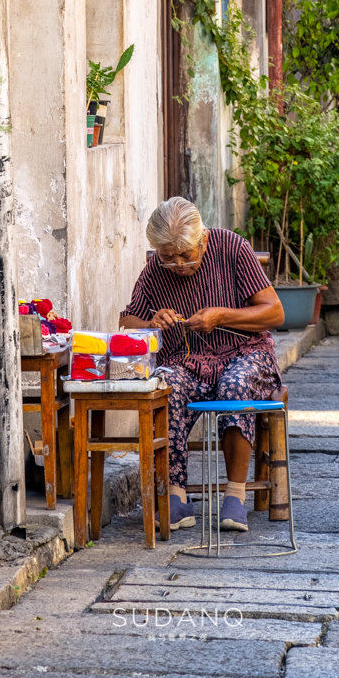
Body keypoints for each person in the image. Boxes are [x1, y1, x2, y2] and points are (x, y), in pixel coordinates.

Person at [119, 196, 285, 533]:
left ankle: (235, 495)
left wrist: (222, 315)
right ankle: (177, 495)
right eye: (168, 257)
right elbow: (128, 321)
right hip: (187, 360)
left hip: (244, 352)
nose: (178, 264)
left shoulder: (232, 247)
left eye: (185, 255)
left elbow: (275, 312)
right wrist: (153, 320)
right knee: (166, 383)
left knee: (234, 384)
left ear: (203, 240)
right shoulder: (157, 269)